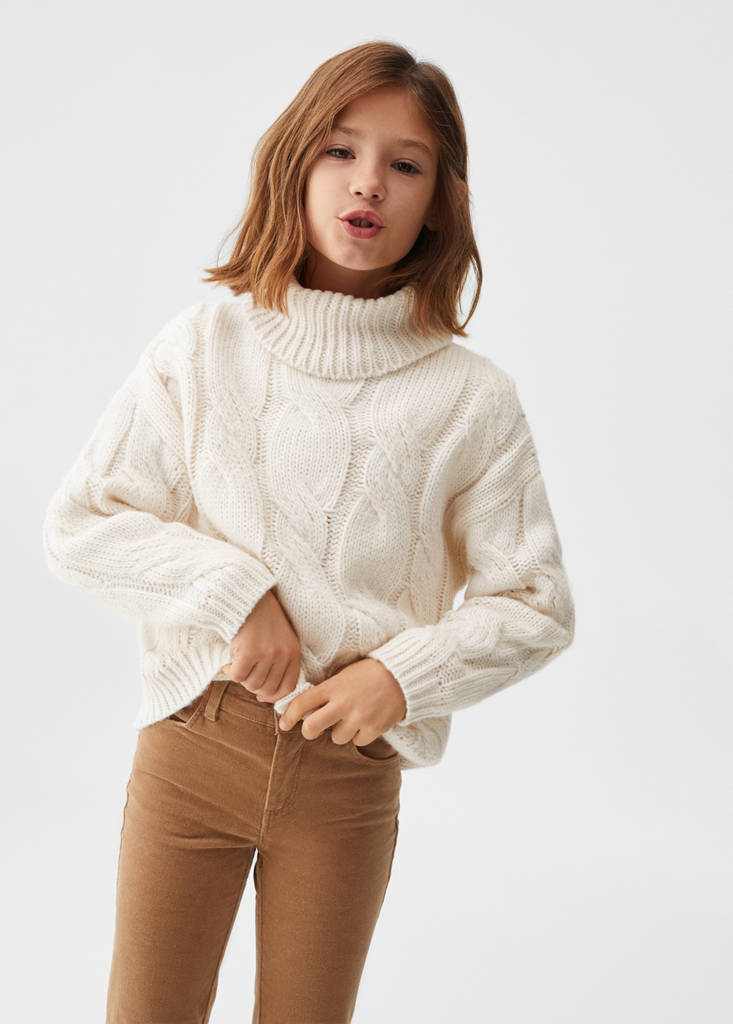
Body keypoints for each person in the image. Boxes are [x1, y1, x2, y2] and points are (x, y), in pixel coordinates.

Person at [42, 39, 575, 1024]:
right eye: (340, 150)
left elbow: (535, 604)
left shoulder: (471, 399)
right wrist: (234, 594)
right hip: (195, 745)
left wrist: (402, 676)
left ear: (439, 201)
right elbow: (84, 520)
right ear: (294, 162)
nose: (367, 182)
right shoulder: (203, 347)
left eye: (404, 164)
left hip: (346, 774)